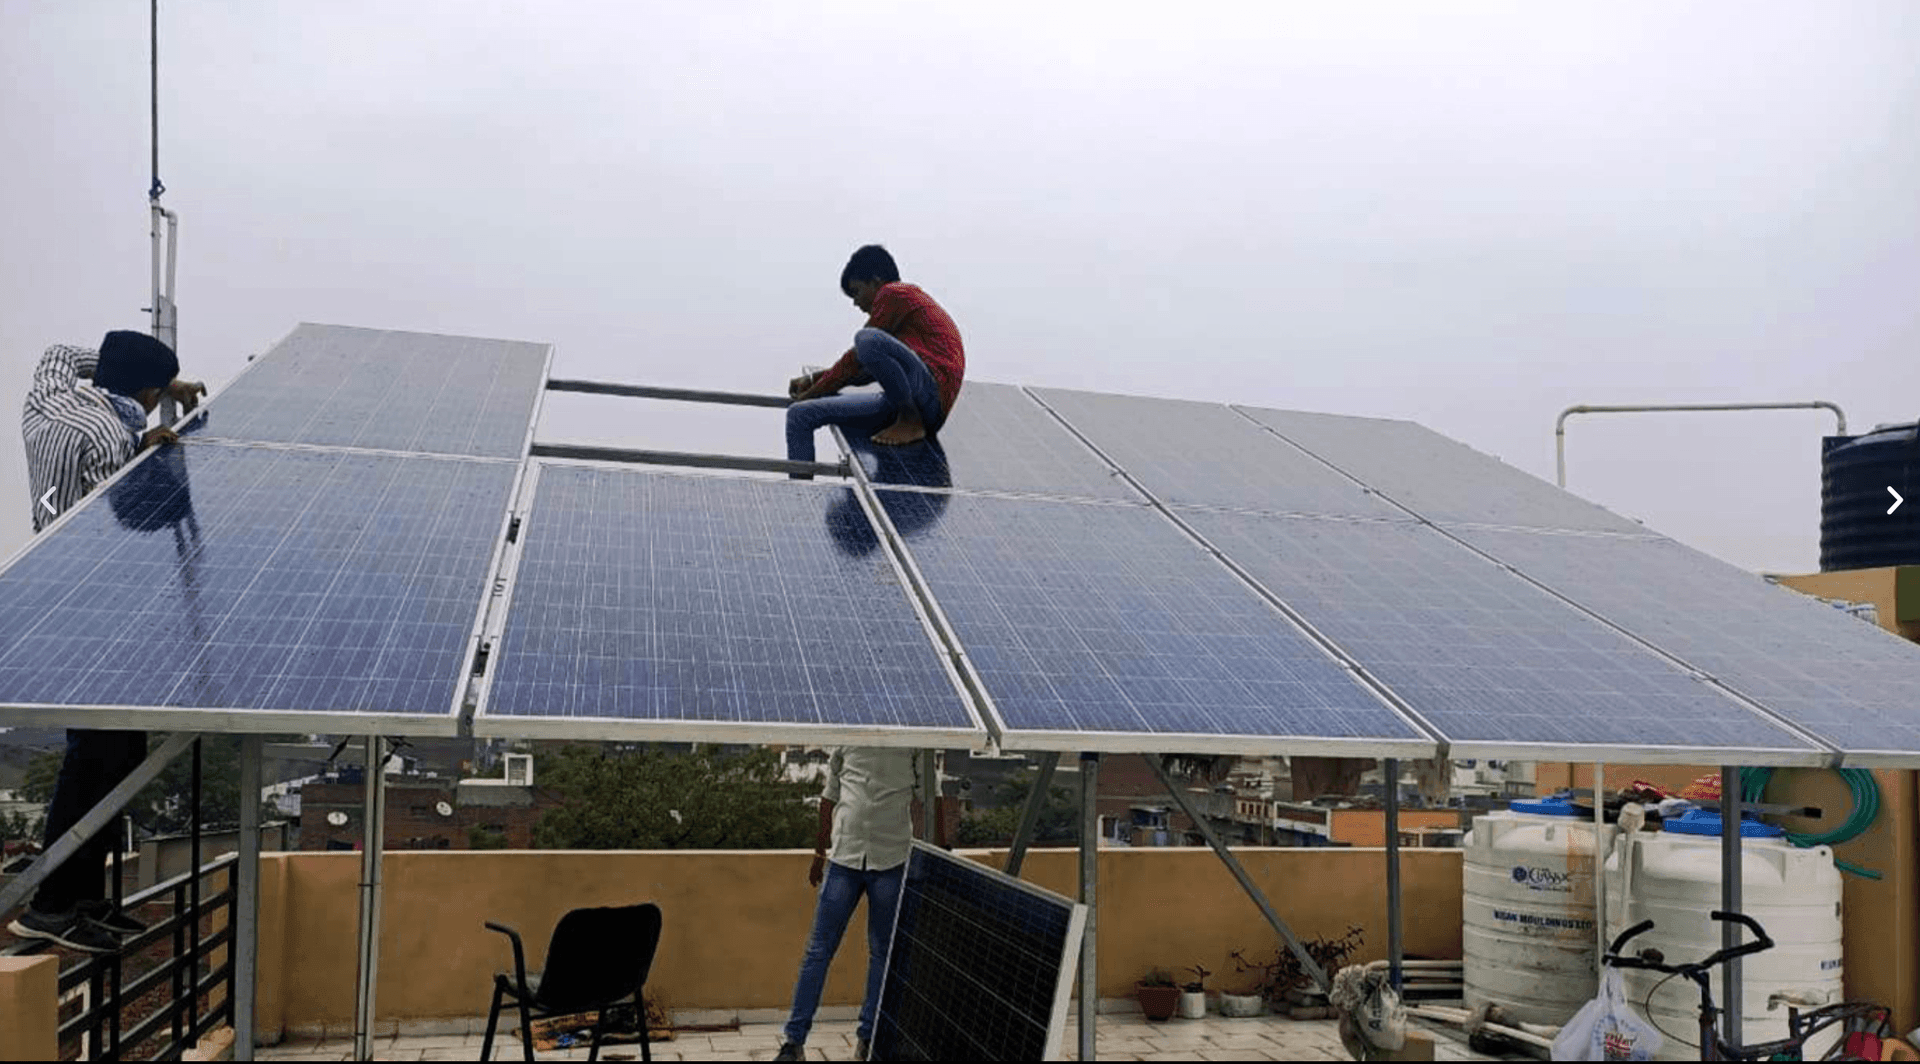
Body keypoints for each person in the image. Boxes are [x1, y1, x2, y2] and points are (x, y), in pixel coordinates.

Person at [8, 331, 204, 953]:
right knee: (99, 752)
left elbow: (59, 353)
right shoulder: (114, 440)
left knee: (119, 744)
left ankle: (86, 896)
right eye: (159, 393)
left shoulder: (46, 402)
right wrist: (144, 450)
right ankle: (53, 905)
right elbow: (121, 515)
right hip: (88, 611)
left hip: (51, 601)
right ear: (147, 395)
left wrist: (157, 383)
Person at [775, 747, 938, 1062]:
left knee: (882, 955)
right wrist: (819, 853)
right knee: (818, 952)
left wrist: (934, 857)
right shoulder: (848, 738)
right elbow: (829, 797)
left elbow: (928, 802)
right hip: (844, 860)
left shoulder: (917, 743)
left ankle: (869, 1040)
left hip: (892, 860)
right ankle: (793, 1042)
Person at [785, 245, 966, 465]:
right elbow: (861, 371)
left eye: (857, 291)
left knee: (866, 338)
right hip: (897, 400)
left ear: (876, 282)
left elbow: (854, 360)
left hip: (931, 393)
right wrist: (814, 381)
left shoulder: (895, 293)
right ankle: (803, 493)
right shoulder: (897, 332)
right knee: (799, 415)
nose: (856, 302)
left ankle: (910, 420)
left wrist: (811, 392)